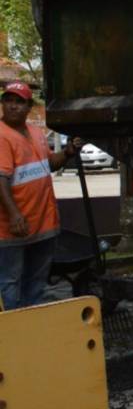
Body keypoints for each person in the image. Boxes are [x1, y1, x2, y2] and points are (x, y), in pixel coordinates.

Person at [0, 81, 81, 310]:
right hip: (12, 228)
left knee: (36, 282)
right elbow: (1, 179)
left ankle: (31, 329)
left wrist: (67, 153)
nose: (13, 106)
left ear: (29, 107)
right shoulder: (2, 136)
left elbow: (49, 164)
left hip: (43, 224)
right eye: (8, 101)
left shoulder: (36, 132)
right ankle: (12, 332)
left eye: (19, 102)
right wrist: (15, 215)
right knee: (10, 282)